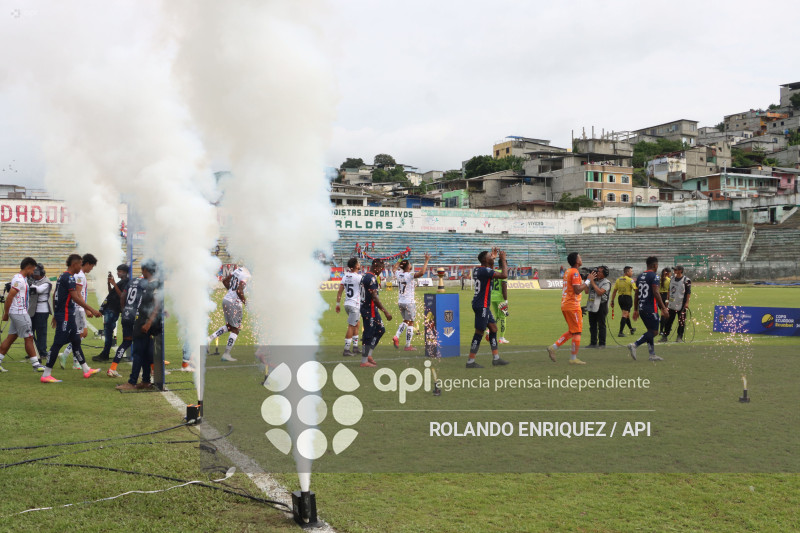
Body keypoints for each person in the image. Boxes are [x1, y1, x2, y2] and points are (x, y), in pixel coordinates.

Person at [40, 254, 102, 383]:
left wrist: (55, 315)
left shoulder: (63, 276)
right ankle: (46, 374)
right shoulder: (69, 278)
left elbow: (55, 295)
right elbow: (75, 298)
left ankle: (86, 369)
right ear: (74, 264)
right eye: (80, 264)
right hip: (66, 315)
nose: (81, 266)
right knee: (57, 343)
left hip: (66, 314)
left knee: (76, 340)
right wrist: (92, 309)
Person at [117, 260, 162, 390]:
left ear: (145, 270)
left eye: (142, 270)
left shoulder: (153, 285)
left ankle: (132, 382)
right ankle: (146, 381)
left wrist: (148, 322)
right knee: (146, 353)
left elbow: (157, 304)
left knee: (137, 352)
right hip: (144, 320)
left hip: (144, 322)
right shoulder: (151, 284)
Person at [547, 252, 595, 365]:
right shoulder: (574, 272)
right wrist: (588, 281)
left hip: (568, 305)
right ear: (576, 260)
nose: (581, 258)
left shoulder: (569, 271)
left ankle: (553, 348)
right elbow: (577, 290)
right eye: (580, 257)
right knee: (577, 331)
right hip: (571, 305)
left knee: (573, 331)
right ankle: (573, 358)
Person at [0, 257, 45, 373]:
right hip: (20, 313)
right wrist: (6, 314)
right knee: (29, 337)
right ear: (28, 267)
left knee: (11, 338)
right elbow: (9, 297)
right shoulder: (19, 280)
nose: (33, 272)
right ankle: (36, 364)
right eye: (33, 269)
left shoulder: (21, 279)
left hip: (18, 312)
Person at [466, 248, 509, 368]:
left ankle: (496, 358)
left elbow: (488, 266)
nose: (492, 256)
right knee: (479, 333)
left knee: (494, 329)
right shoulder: (485, 271)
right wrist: (503, 259)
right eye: (490, 255)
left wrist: (493, 258)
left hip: (482, 305)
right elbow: (504, 275)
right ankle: (470, 361)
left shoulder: (478, 270)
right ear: (485, 260)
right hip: (482, 306)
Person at [107, 263, 150, 377]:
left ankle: (112, 368)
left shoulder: (132, 281)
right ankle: (152, 369)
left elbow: (122, 296)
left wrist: (124, 309)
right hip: (136, 317)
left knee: (126, 342)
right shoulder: (146, 283)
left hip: (126, 314)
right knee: (144, 343)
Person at [59, 253, 98, 370]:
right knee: (81, 334)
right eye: (92, 266)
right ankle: (70, 358)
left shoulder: (79, 274)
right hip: (78, 308)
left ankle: (70, 358)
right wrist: (86, 309)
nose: (91, 269)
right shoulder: (80, 276)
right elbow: (78, 293)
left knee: (80, 334)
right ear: (87, 264)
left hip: (76, 307)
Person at [628, 256, 669, 362]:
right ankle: (635, 345)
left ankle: (652, 355)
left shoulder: (640, 276)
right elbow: (656, 292)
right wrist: (663, 308)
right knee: (654, 332)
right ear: (655, 265)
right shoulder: (654, 276)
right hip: (650, 308)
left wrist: (636, 309)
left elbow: (636, 294)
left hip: (641, 308)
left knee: (650, 331)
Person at [207, 265, 250, 362]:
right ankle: (226, 354)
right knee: (236, 329)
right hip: (234, 303)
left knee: (230, 326)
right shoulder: (246, 275)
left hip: (226, 300)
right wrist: (246, 303)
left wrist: (231, 292)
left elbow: (225, 281)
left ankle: (209, 339)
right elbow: (239, 290)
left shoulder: (239, 270)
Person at [392, 253, 431, 351]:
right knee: (410, 322)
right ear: (408, 267)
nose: (410, 265)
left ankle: (403, 341)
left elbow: (393, 269)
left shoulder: (399, 274)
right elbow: (421, 273)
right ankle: (404, 342)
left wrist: (399, 260)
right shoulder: (409, 275)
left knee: (406, 320)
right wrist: (426, 260)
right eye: (409, 264)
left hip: (401, 301)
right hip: (409, 302)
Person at [359, 258, 392, 367]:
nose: (381, 271)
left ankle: (369, 354)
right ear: (376, 267)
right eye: (381, 269)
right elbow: (374, 297)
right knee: (368, 334)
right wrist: (386, 311)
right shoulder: (372, 278)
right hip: (369, 310)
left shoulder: (365, 276)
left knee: (380, 330)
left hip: (371, 309)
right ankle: (364, 361)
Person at [93, 264, 130, 362]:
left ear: (125, 272)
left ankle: (105, 354)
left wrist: (114, 284)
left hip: (113, 310)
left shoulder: (126, 282)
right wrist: (109, 284)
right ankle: (105, 353)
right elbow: (112, 293)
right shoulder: (121, 282)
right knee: (108, 332)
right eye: (117, 271)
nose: (118, 273)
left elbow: (122, 295)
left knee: (108, 333)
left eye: (120, 271)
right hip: (110, 309)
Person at [335, 258, 363, 357]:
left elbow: (339, 292)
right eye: (358, 263)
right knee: (351, 326)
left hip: (347, 304)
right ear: (356, 266)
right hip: (354, 304)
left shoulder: (345, 277)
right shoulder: (359, 277)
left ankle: (355, 347)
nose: (360, 264)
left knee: (357, 323)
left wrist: (337, 304)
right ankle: (346, 350)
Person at [28, 263, 52, 361]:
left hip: (42, 310)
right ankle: (33, 352)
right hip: (32, 309)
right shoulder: (34, 280)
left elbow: (38, 290)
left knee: (41, 333)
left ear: (41, 273)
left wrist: (28, 283)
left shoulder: (47, 282)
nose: (34, 276)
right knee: (30, 332)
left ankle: (42, 352)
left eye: (35, 274)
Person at [661, 266, 692, 343]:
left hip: (682, 304)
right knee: (668, 321)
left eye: (676, 269)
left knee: (681, 321)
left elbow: (688, 293)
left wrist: (687, 303)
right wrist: (667, 300)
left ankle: (679, 337)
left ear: (680, 271)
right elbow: (669, 290)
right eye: (674, 269)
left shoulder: (686, 280)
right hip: (672, 304)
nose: (674, 271)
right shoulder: (672, 278)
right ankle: (665, 336)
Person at [586, 266, 611, 349]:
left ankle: (602, 344)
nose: (597, 273)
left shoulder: (606, 282)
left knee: (601, 325)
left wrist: (592, 282)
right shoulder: (594, 281)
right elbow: (586, 291)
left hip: (602, 305)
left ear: (604, 274)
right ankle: (593, 343)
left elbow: (600, 292)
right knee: (592, 325)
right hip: (592, 304)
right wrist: (586, 281)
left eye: (599, 271)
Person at [610, 266, 637, 337]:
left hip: (620, 299)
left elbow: (614, 291)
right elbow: (635, 290)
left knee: (626, 314)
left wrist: (612, 301)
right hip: (627, 298)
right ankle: (620, 332)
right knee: (625, 314)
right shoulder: (630, 280)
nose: (632, 272)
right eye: (631, 271)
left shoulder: (618, 279)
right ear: (627, 272)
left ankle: (631, 329)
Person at [488, 269, 510, 344]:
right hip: (500, 298)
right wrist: (506, 300)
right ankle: (501, 338)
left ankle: (489, 330)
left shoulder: (494, 271)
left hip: (493, 296)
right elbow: (504, 286)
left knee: (497, 316)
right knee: (503, 317)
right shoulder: (503, 273)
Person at [658, 267, 672, 335]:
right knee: (664, 313)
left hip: (659, 296)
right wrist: (668, 300)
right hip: (665, 296)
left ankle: (667, 326)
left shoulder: (658, 279)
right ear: (668, 273)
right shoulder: (669, 280)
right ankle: (661, 330)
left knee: (664, 313)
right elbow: (670, 291)